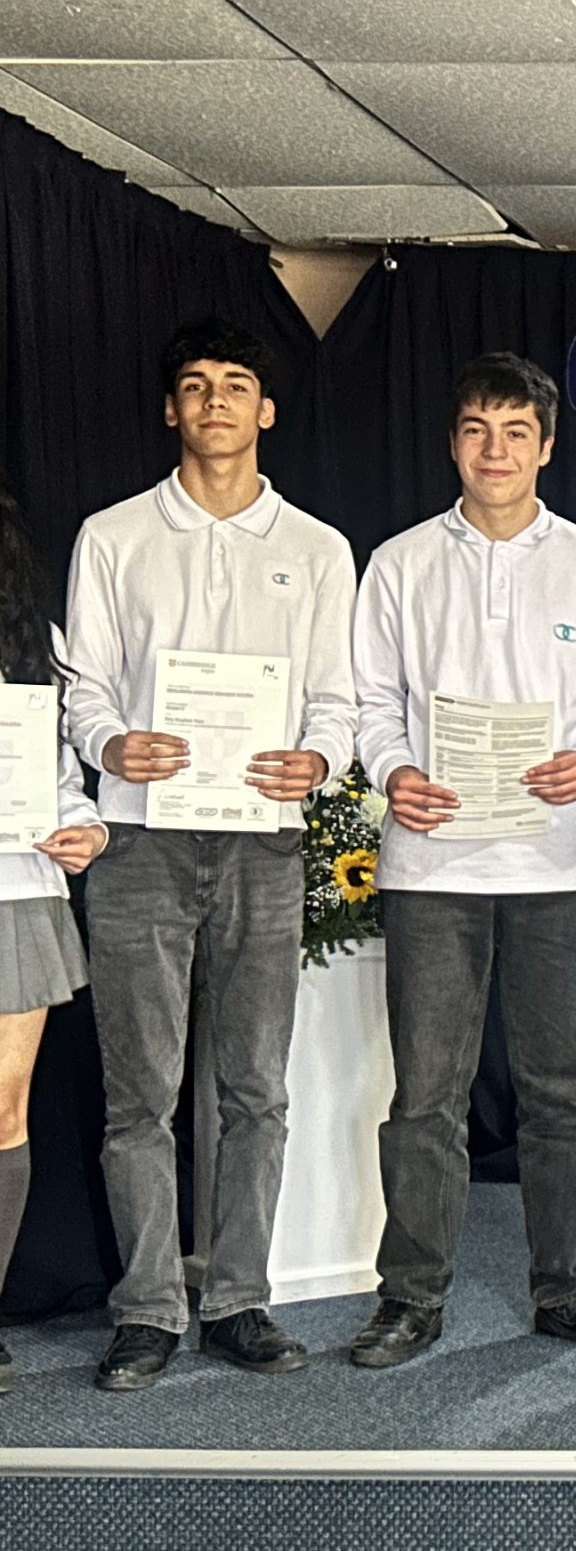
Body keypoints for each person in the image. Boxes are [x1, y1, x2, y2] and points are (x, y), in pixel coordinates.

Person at [344, 353, 576, 1370]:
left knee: (560, 1093)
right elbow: (370, 702)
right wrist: (393, 770)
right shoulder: (399, 564)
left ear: (547, 446)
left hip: (559, 867)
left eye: (516, 432)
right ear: (453, 443)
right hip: (431, 867)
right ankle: (410, 1294)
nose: (496, 450)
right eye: (478, 429)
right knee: (425, 1097)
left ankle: (567, 1285)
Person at [65, 320, 358, 1391]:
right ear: (171, 410)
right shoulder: (112, 535)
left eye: (236, 384)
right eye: (195, 385)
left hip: (263, 842)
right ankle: (148, 1307)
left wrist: (318, 760)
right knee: (139, 1093)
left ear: (265, 410)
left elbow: (339, 700)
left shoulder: (318, 548)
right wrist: (110, 744)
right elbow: (84, 685)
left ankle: (238, 1299)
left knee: (254, 1089)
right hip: (140, 838)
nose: (216, 401)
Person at [0, 487, 110, 1394]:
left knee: (4, 1112)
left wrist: (88, 828)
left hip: (19, 893)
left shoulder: (35, 641)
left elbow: (60, 775)